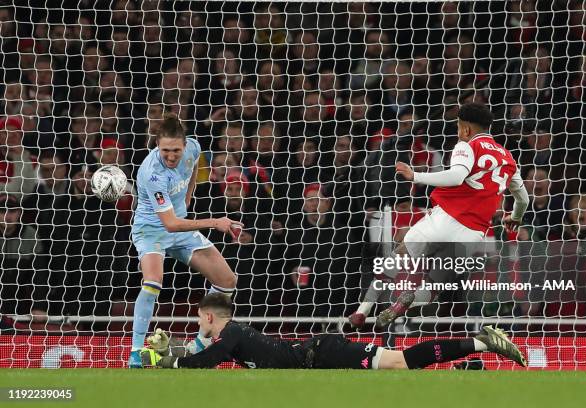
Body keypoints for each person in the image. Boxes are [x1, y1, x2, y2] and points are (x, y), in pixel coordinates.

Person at [351, 103, 530, 328]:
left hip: (444, 218)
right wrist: (515, 217)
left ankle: (361, 311)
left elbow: (456, 177)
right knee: (435, 285)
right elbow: (523, 199)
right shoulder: (508, 159)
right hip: (473, 232)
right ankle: (405, 303)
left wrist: (415, 175)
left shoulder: (466, 146)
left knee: (398, 257)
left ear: (465, 129)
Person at [140, 293, 526, 369]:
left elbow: (209, 360)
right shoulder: (233, 334)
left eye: (197, 320)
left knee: (399, 363)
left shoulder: (232, 334)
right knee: (398, 371)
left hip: (321, 353)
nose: (197, 327)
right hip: (316, 356)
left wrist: (171, 359)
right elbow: (207, 357)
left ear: (210, 317)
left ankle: (480, 341)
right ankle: (469, 363)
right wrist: (175, 349)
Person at [129, 113, 243, 368]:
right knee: (152, 281)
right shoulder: (152, 173)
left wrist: (187, 200)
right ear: (157, 144)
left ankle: (199, 344)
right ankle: (136, 351)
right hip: (151, 231)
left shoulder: (193, 147)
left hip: (180, 226)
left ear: (184, 145)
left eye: (176, 151)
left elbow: (193, 170)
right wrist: (216, 222)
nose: (171, 156)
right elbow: (169, 223)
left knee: (227, 281)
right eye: (166, 150)